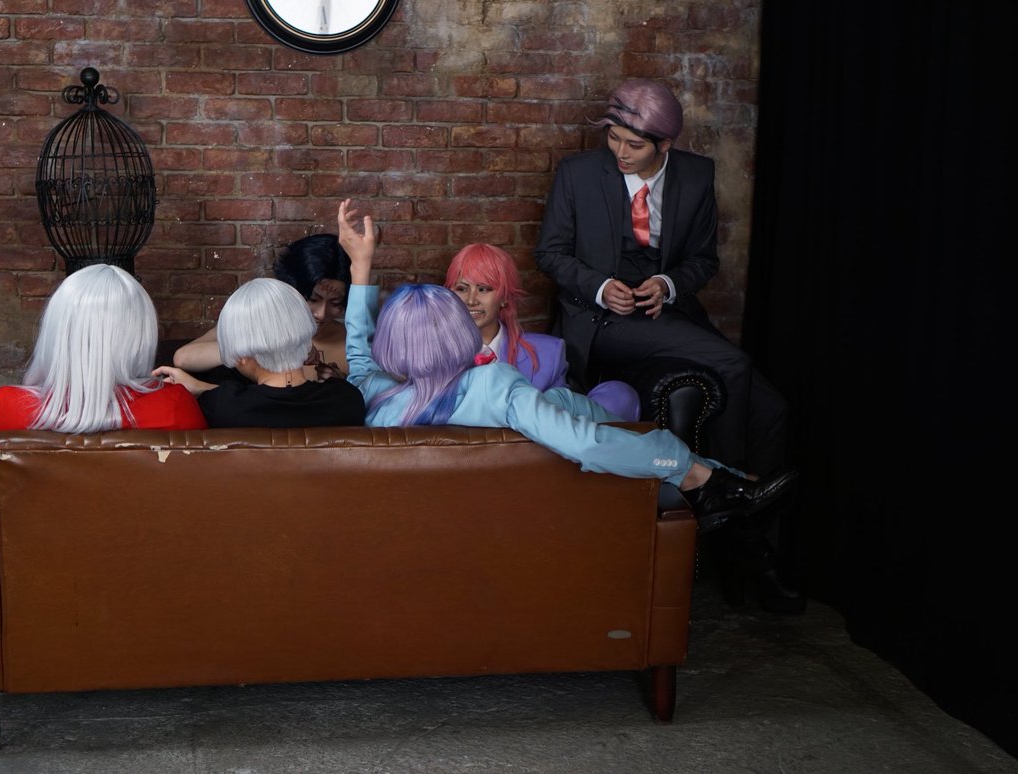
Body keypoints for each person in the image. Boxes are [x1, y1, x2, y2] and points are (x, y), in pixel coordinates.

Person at [335, 199, 795, 529]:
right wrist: (682, 464)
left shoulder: (373, 391)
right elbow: (588, 446)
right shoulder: (495, 386)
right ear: (456, 331)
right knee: (578, 413)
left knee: (564, 400)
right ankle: (707, 479)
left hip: (431, 520)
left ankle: (718, 477)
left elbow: (358, 351)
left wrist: (361, 265)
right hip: (522, 513)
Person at [534, 79, 802, 613]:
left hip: (668, 315)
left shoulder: (696, 175)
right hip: (602, 321)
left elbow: (703, 260)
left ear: (666, 144)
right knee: (733, 361)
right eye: (614, 139)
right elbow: (551, 253)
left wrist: (668, 284)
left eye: (634, 145)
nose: (620, 152)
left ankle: (753, 562)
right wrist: (600, 287)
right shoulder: (577, 174)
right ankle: (728, 493)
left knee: (773, 409)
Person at [0, 263, 207, 487]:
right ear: (140, 336)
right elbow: (194, 486)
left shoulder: (7, 408)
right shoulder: (175, 405)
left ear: (57, 330)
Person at [445, 242, 640, 421]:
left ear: (504, 297)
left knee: (619, 397)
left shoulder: (548, 354)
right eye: (462, 288)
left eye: (483, 289)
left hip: (531, 448)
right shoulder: (431, 355)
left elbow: (562, 425)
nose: (471, 300)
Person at [155, 278, 366, 429]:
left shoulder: (221, 406)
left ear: (242, 354)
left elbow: (256, 402)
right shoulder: (347, 399)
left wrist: (201, 389)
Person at [173, 234, 351, 380]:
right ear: (290, 288)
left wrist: (341, 384)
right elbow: (183, 358)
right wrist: (257, 348)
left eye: (335, 303)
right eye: (312, 299)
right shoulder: (258, 319)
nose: (321, 314)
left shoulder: (351, 342)